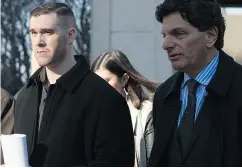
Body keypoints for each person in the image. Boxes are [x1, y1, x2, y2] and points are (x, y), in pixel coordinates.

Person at [14, 2, 134, 167]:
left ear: (70, 35)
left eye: (47, 32)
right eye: (33, 33)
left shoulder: (106, 99)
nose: (39, 41)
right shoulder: (23, 97)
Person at [148, 0, 242, 166]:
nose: (166, 45)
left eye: (178, 34)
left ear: (211, 36)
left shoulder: (237, 86)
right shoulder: (164, 95)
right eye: (165, 35)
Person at [91, 50, 158, 166]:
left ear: (124, 79)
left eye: (106, 81)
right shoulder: (91, 116)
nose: (100, 88)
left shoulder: (146, 113)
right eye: (95, 82)